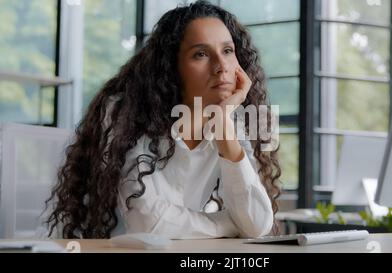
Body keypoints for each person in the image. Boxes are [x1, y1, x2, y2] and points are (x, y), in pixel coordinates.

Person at [45, 0, 281, 239]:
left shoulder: (231, 121)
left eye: (228, 51)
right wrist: (226, 226)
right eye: (200, 54)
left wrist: (224, 129)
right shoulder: (126, 113)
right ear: (172, 67)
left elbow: (257, 224)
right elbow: (146, 222)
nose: (221, 66)